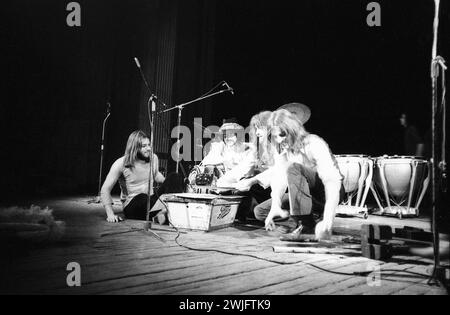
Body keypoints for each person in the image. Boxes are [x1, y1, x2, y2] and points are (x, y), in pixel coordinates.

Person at [236, 109, 343, 240]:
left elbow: (332, 181)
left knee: (293, 167)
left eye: (282, 135)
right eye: (275, 136)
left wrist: (328, 218)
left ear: (292, 130)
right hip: (305, 195)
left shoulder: (313, 142)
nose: (279, 140)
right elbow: (279, 177)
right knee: (260, 212)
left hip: (325, 194)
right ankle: (304, 222)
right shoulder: (282, 149)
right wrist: (276, 205)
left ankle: (306, 224)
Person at [100, 130, 166, 223]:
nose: (148, 148)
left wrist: (168, 183)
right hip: (132, 206)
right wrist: (110, 214)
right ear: (134, 148)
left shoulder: (153, 158)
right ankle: (163, 212)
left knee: (175, 177)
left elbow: (155, 175)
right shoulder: (121, 163)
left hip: (151, 201)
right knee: (142, 197)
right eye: (144, 146)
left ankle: (160, 214)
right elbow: (105, 189)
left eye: (149, 145)